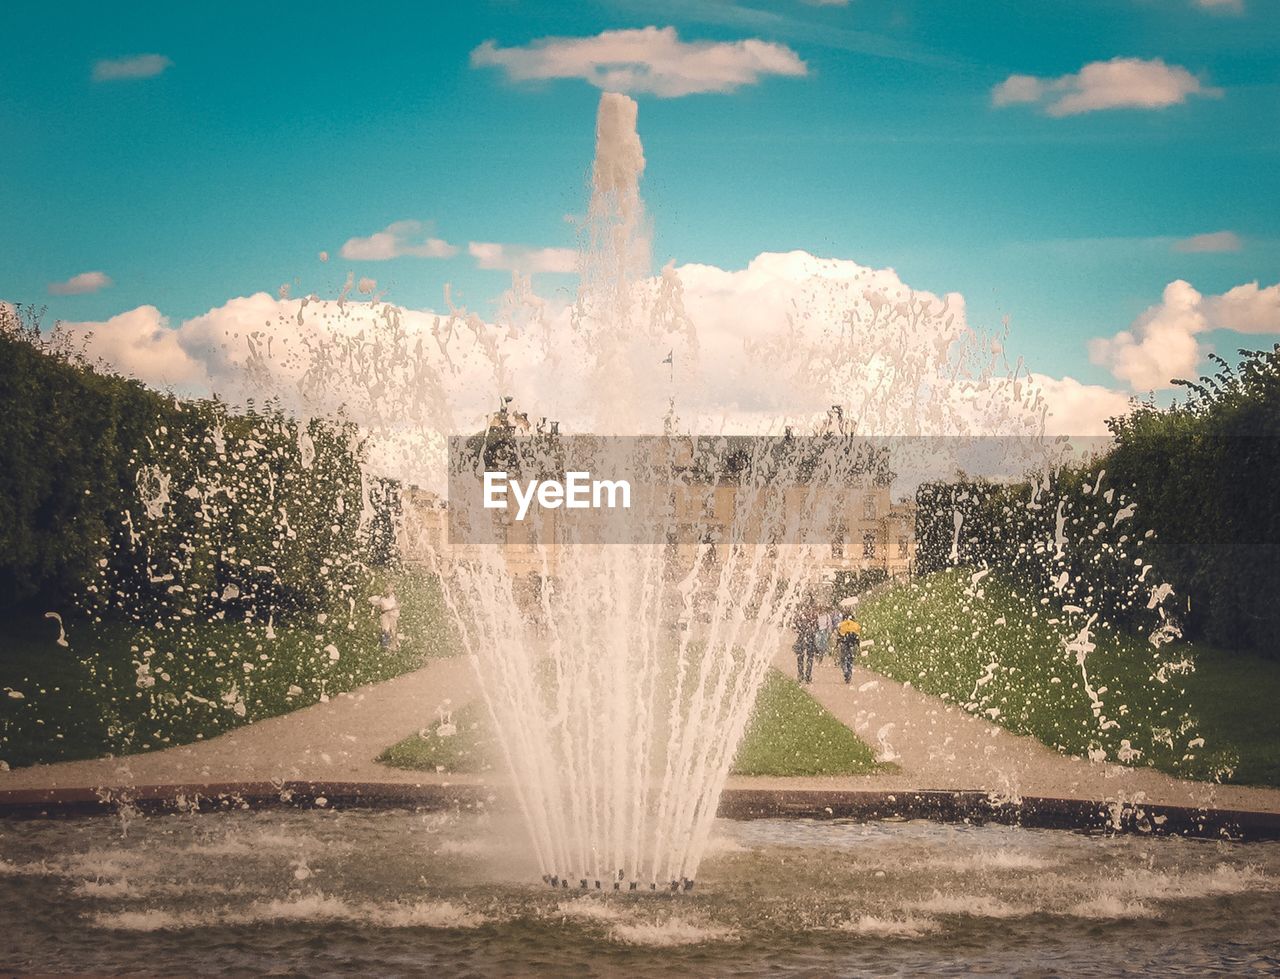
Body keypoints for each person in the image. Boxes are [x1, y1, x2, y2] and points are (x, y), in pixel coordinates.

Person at [792, 600, 819, 683]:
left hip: (803, 637)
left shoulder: (800, 616)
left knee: (801, 657)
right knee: (809, 658)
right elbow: (817, 627)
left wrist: (800, 630)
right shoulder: (814, 616)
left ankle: (801, 675)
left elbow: (795, 626)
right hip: (810, 638)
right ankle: (807, 675)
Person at [369, 585, 401, 650]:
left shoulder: (394, 598)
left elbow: (397, 606)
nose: (388, 589)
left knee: (393, 630)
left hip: (392, 615)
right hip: (385, 615)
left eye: (390, 587)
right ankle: (385, 645)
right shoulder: (381, 598)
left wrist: (393, 610)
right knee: (385, 630)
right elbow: (373, 602)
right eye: (386, 587)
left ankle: (394, 645)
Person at [835, 610, 861, 684]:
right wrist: (859, 646)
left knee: (843, 660)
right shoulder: (856, 625)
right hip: (852, 645)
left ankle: (845, 671)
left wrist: (836, 645)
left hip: (844, 644)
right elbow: (857, 637)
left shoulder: (842, 625)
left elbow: (839, 636)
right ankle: (849, 674)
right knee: (850, 660)